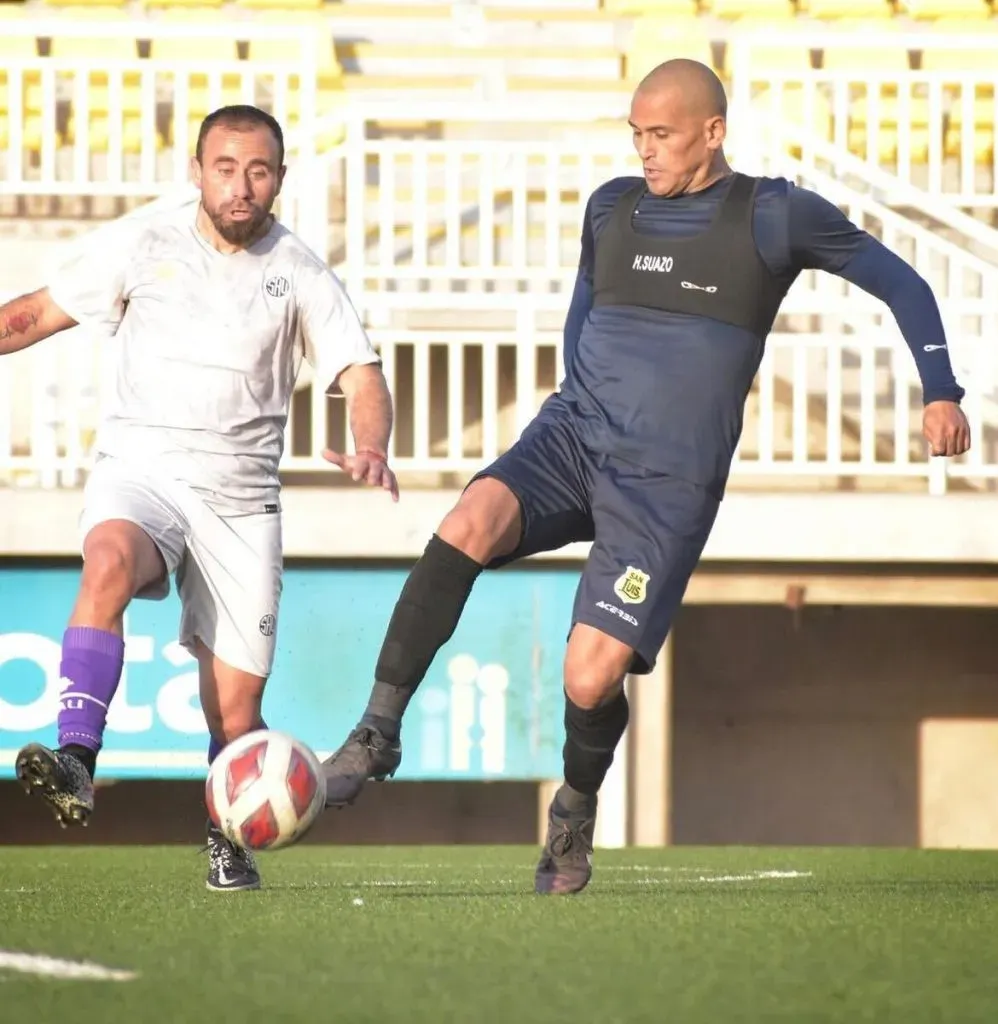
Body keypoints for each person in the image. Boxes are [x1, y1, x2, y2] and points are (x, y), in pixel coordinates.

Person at [320, 58, 972, 895]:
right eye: (635, 135)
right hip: (574, 436)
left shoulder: (773, 215)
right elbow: (582, 312)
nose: (645, 152)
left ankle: (575, 811)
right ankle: (378, 732)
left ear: (713, 131)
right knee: (466, 521)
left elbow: (904, 282)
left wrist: (941, 391)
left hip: (666, 483)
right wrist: (574, 403)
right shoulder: (611, 207)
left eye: (660, 135)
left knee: (589, 676)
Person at [1, 105, 397, 892]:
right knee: (107, 559)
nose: (241, 186)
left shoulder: (302, 272)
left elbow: (362, 376)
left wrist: (372, 445)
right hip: (141, 469)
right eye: (226, 167)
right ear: (197, 170)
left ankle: (227, 839)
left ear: (279, 179)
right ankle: (77, 759)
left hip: (242, 505)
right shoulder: (144, 243)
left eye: (258, 170)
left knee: (235, 714)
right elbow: (33, 314)